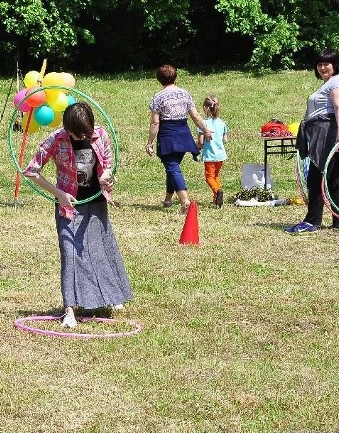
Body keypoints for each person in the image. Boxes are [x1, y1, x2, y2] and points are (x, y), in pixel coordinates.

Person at [24, 101, 133, 328]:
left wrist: (107, 178)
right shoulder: (56, 139)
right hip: (69, 205)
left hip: (96, 202)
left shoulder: (100, 134)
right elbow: (31, 171)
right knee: (70, 252)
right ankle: (70, 310)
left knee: (101, 249)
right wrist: (59, 193)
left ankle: (111, 297)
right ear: (67, 128)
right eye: (75, 134)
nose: (80, 137)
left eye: (85, 133)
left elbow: (108, 164)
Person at [286, 48, 339, 233]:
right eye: (319, 64)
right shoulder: (329, 83)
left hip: (327, 132)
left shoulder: (337, 83)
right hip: (322, 131)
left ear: (335, 65)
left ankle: (312, 220)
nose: (322, 67)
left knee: (316, 178)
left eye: (326, 64)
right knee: (332, 178)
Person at [145, 64, 212, 214]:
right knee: (172, 166)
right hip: (183, 133)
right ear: (176, 77)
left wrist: (149, 142)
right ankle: (168, 199)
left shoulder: (158, 97)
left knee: (172, 167)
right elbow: (195, 116)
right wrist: (206, 130)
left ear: (159, 80)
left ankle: (185, 201)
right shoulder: (185, 94)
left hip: (168, 134)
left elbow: (155, 122)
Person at [197, 95, 229, 208]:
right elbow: (225, 140)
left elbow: (201, 141)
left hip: (210, 155)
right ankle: (216, 200)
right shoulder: (222, 123)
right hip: (220, 155)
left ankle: (217, 191)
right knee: (216, 176)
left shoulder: (203, 124)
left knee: (209, 177)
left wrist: (198, 147)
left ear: (205, 108)